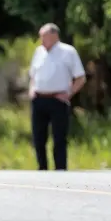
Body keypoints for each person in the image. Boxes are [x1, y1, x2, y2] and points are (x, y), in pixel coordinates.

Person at [28, 23, 86, 171]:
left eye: (44, 37)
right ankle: (42, 167)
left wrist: (69, 93)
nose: (41, 41)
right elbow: (33, 75)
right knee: (38, 138)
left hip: (58, 99)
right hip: (39, 98)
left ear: (54, 36)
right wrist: (32, 90)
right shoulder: (39, 52)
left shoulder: (68, 52)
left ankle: (60, 170)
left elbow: (80, 78)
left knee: (59, 137)